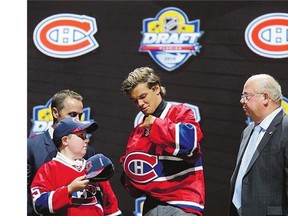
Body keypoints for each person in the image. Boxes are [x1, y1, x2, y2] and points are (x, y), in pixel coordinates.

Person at [119, 67, 205, 216]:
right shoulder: (138, 131)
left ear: (156, 88)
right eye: (135, 101)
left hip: (182, 204)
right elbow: (133, 185)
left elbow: (190, 145)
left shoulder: (180, 113)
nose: (140, 104)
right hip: (151, 205)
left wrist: (157, 125)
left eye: (143, 96)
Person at [27, 89, 121, 215]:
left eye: (80, 115)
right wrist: (69, 190)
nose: (78, 119)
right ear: (55, 112)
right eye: (72, 115)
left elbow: (109, 203)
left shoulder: (90, 156)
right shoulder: (32, 147)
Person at [229, 74, 288, 216]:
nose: (242, 101)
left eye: (247, 96)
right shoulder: (248, 130)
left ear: (266, 97)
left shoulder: (286, 128)